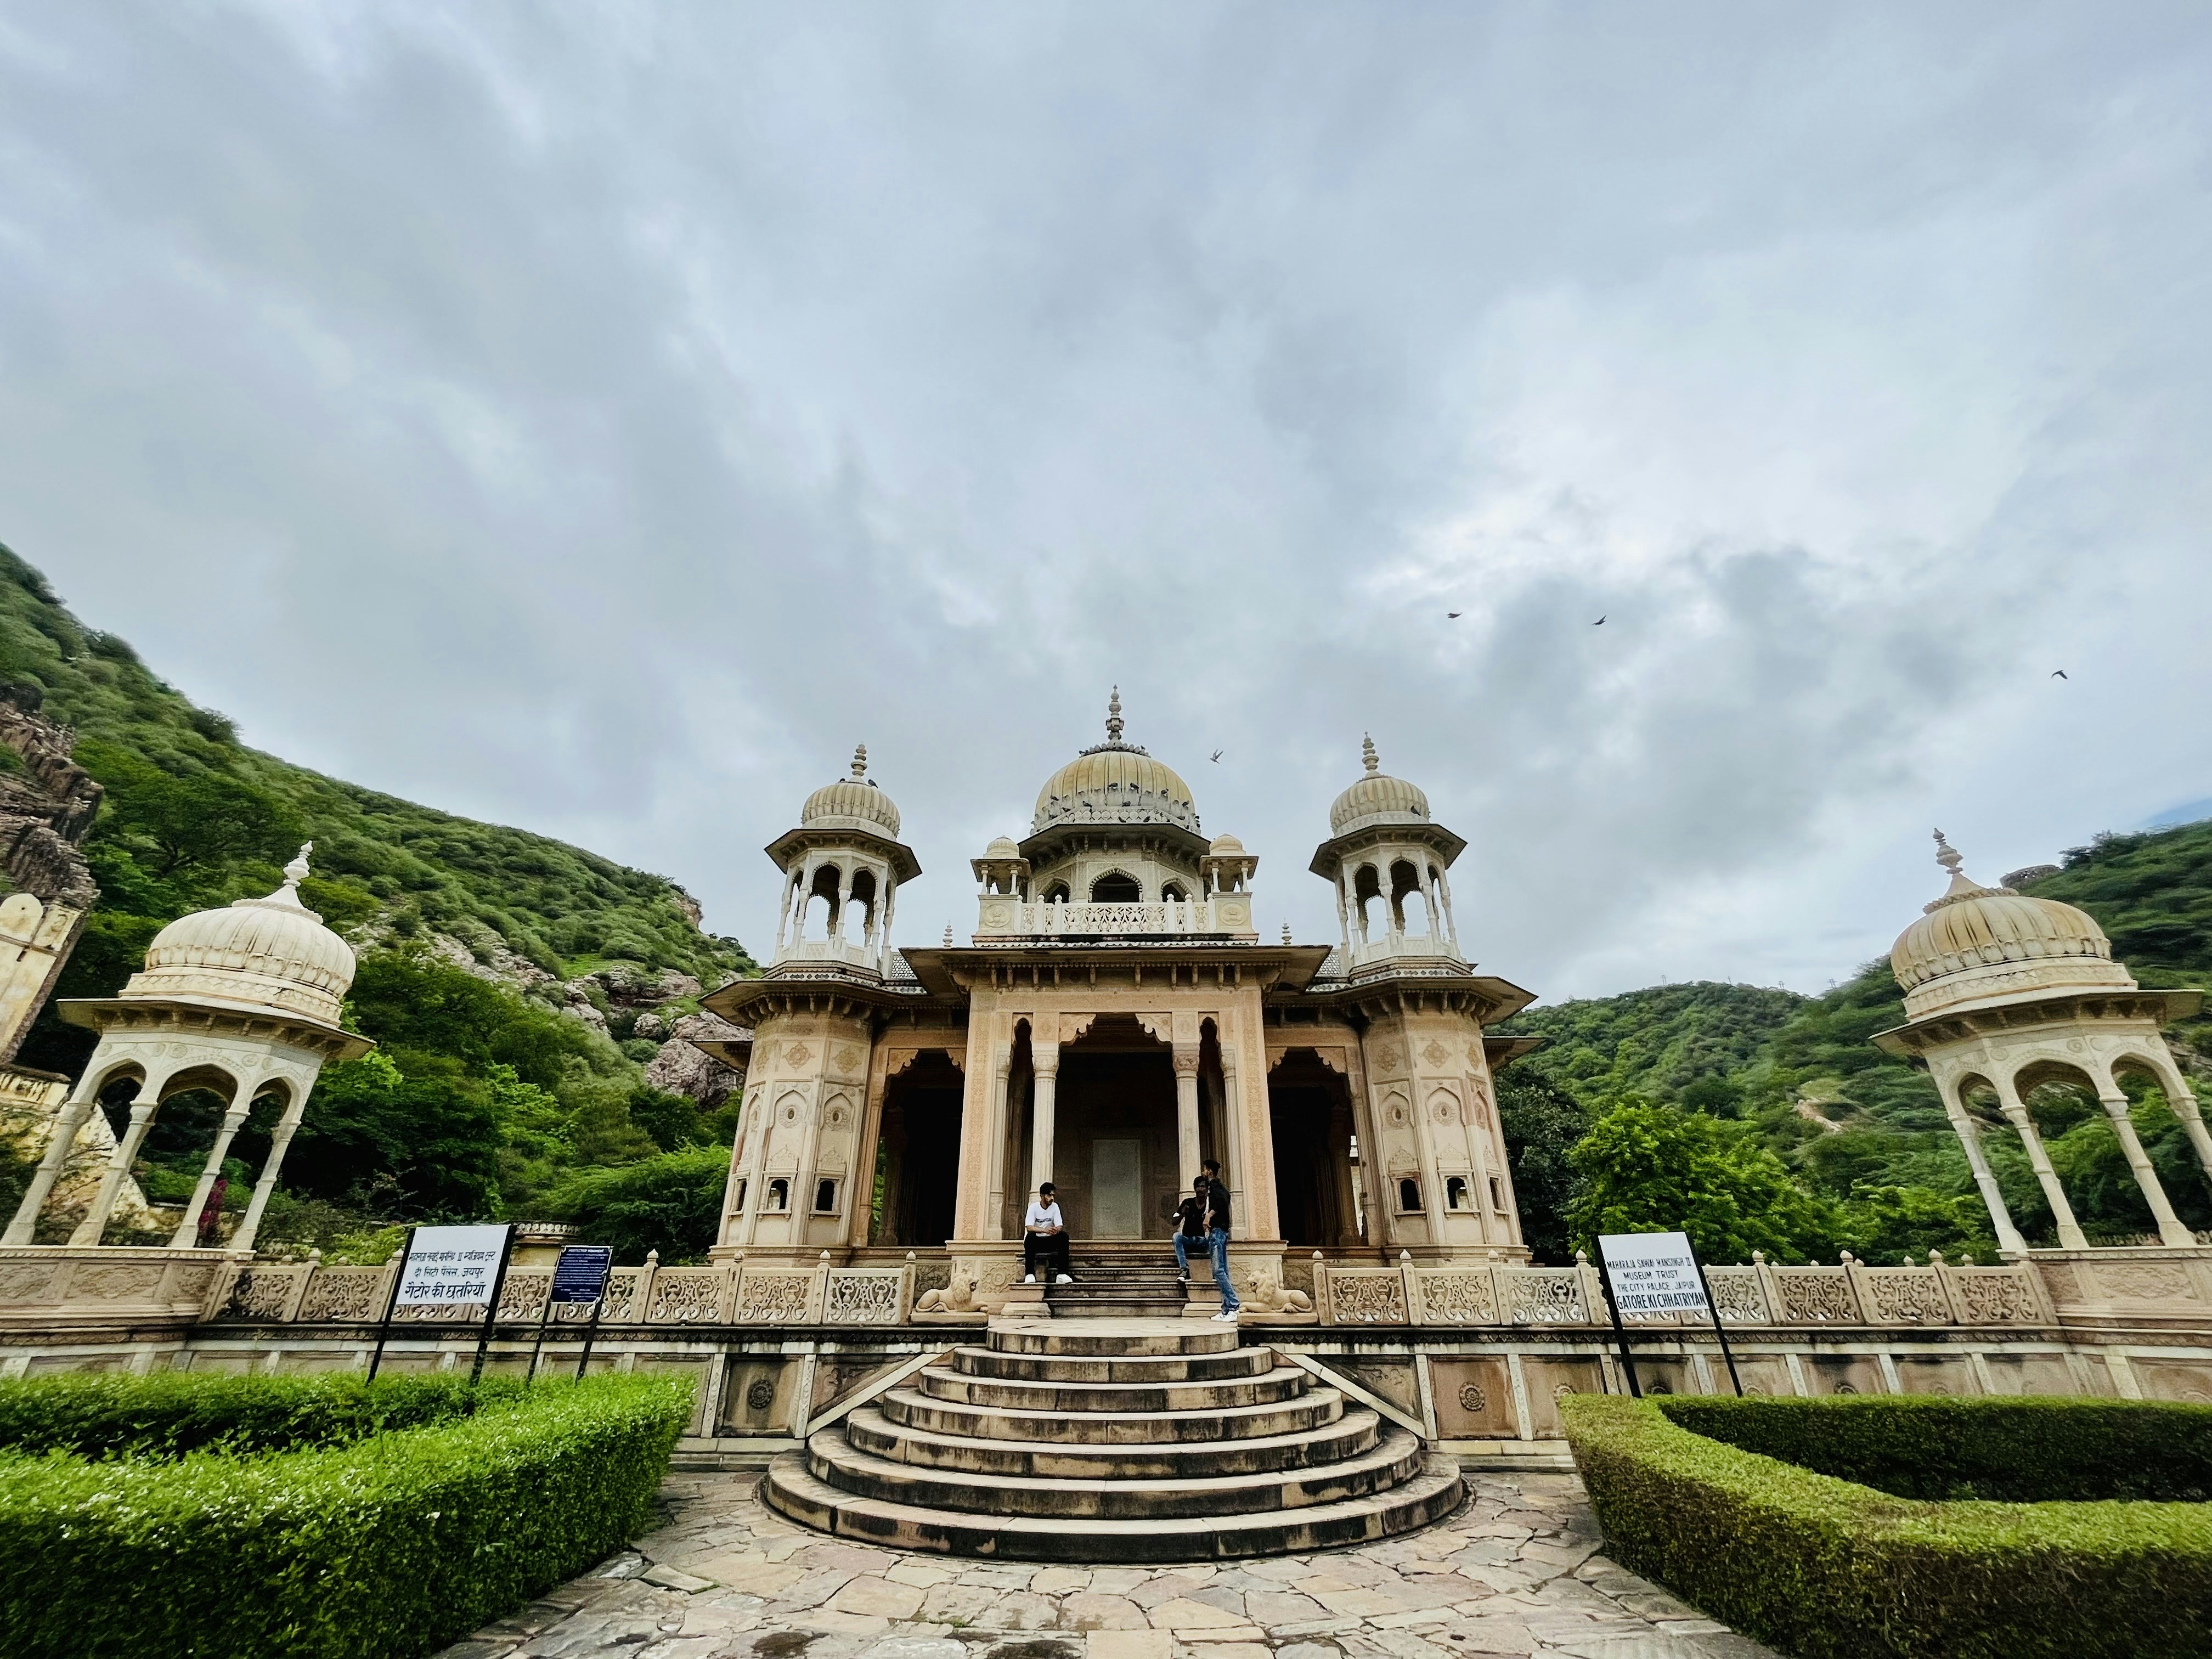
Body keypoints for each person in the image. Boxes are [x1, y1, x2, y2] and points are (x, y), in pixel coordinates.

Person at [1201, 1159, 1240, 1321]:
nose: (1203, 1172)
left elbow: (1222, 1202)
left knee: (1218, 1270)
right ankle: (1226, 1309)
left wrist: (1209, 1217)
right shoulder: (1219, 1187)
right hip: (1221, 1231)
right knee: (1222, 1270)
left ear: (1209, 1171)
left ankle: (1234, 1305)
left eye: (1205, 1169)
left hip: (1217, 1232)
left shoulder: (1215, 1187)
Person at [1023, 1182, 1073, 1285]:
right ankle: (1029, 1274)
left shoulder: (1055, 1207)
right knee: (1030, 1237)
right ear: (1042, 1196)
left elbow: (1060, 1225)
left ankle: (1062, 1274)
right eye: (1049, 1195)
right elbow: (1029, 1227)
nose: (1052, 1198)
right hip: (1037, 1241)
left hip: (1050, 1241)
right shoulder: (1033, 1208)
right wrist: (1044, 1230)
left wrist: (1056, 1230)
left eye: (1053, 1195)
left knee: (1063, 1236)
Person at [1172, 1177, 1209, 1284]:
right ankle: (1185, 1270)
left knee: (1215, 1237)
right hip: (1188, 1240)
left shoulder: (1210, 1204)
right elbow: (1174, 1221)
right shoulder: (1187, 1203)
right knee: (1176, 1236)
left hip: (1203, 1241)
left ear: (1207, 1189)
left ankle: (1215, 1273)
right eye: (1198, 1187)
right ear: (1194, 1189)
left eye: (1203, 1186)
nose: (1200, 1189)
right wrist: (1182, 1213)